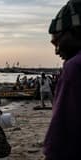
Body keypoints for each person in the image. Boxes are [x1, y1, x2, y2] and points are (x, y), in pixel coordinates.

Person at [43, 0, 81, 159]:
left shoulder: (75, 66)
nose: (56, 51)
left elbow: (59, 137)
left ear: (76, 31)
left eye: (57, 41)